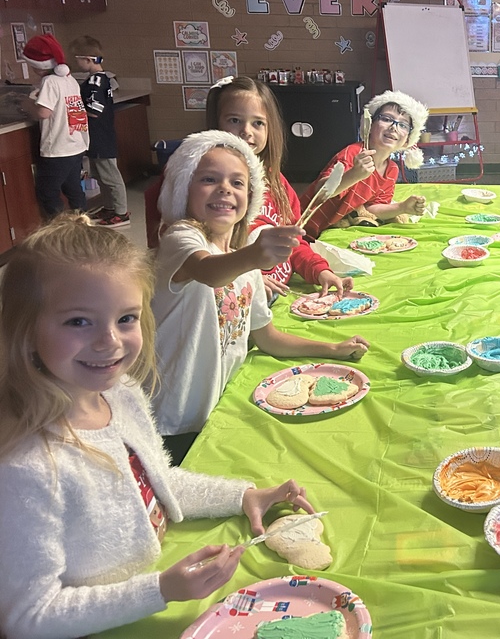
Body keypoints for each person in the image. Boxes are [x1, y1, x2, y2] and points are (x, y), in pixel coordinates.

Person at [0, 214, 318, 639]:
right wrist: (160, 590)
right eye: (78, 321)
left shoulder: (121, 394)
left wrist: (243, 495)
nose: (109, 341)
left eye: (126, 318)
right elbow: (26, 618)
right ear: (25, 328)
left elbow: (155, 480)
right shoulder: (26, 466)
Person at [150, 130, 369, 463]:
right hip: (172, 419)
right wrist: (255, 256)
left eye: (238, 183)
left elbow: (267, 338)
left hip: (218, 412)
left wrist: (333, 349)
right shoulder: (181, 238)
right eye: (209, 179)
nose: (225, 188)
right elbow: (209, 272)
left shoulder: (246, 264)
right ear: (183, 189)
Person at [205, 76, 355, 300]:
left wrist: (320, 270)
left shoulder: (277, 183)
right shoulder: (212, 191)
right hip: (238, 299)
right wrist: (246, 277)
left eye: (258, 123)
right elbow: (199, 257)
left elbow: (293, 242)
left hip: (281, 293)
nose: (247, 131)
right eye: (234, 120)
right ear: (216, 123)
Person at [300, 90, 428, 240]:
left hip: (331, 232)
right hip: (304, 226)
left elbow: (372, 208)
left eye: (403, 125)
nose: (394, 127)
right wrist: (354, 175)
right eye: (387, 119)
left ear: (407, 140)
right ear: (369, 125)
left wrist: (402, 207)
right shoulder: (353, 153)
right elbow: (320, 192)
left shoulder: (392, 169)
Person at [17, 34, 89, 217]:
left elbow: (43, 113)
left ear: (37, 66)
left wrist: (27, 105)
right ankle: (83, 224)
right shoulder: (69, 79)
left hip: (58, 149)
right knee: (73, 189)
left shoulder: (49, 82)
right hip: (76, 144)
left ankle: (59, 231)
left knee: (47, 192)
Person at [70, 35, 130, 228]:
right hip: (97, 137)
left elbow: (95, 110)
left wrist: (73, 110)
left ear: (87, 59)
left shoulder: (96, 82)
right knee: (101, 175)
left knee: (111, 176)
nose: (76, 64)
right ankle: (109, 206)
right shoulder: (101, 79)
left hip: (101, 136)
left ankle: (121, 211)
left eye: (77, 60)